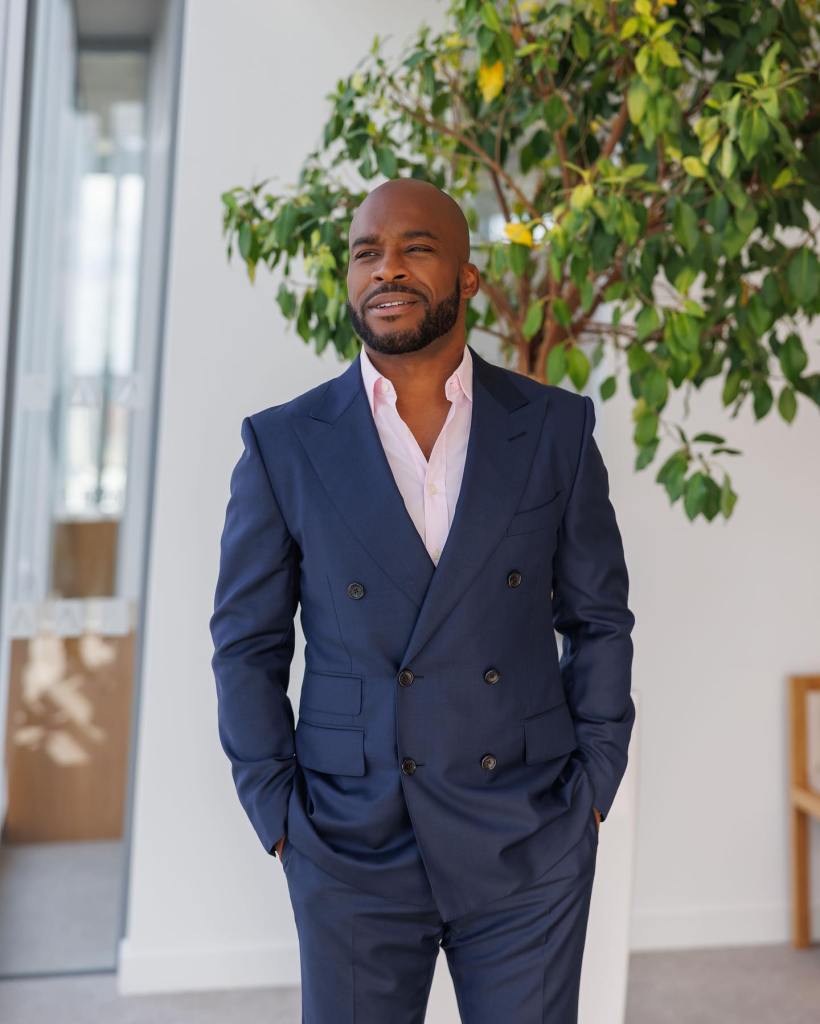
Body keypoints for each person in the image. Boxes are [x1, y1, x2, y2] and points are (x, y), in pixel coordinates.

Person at [209, 177, 635, 1022]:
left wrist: (591, 785)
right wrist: (279, 813)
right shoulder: (284, 443)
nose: (387, 269)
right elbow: (247, 644)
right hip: (349, 839)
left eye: (417, 248)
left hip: (527, 831)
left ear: (470, 279)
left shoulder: (554, 428)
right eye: (368, 252)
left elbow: (598, 619)